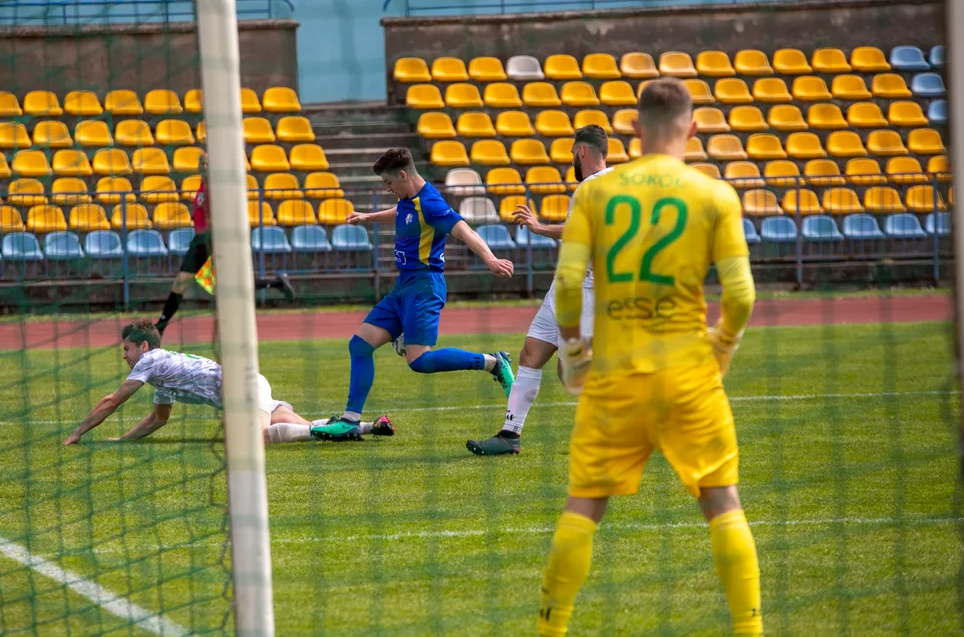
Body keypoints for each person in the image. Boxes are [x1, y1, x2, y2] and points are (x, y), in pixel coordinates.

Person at [536, 78, 761, 636]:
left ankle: (549, 629)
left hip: (614, 377)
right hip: (690, 376)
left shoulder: (595, 193)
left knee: (583, 506)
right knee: (723, 502)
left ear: (635, 130)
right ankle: (750, 630)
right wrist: (723, 349)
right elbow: (741, 296)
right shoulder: (713, 195)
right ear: (693, 126)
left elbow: (567, 288)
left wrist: (575, 354)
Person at [310, 148, 517, 442]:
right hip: (403, 287)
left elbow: (464, 231)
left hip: (424, 287)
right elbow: (402, 214)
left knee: (419, 361)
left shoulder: (432, 203)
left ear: (403, 175)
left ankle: (494, 363)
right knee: (359, 345)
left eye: (388, 182)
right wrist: (368, 217)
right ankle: (350, 421)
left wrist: (491, 260)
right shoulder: (408, 200)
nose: (387, 188)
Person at [466, 125, 610, 456]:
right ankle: (509, 435)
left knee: (569, 372)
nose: (572, 160)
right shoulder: (610, 184)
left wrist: (538, 227)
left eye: (573, 153)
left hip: (588, 290)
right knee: (531, 353)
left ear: (582, 151)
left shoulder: (594, 188)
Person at [62, 318, 394, 445]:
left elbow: (112, 400)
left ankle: (335, 429)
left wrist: (78, 432)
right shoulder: (161, 370)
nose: (124, 356)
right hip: (248, 384)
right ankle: (368, 427)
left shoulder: (149, 362)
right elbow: (158, 420)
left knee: (258, 439)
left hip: (242, 388)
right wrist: (123, 439)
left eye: (126, 349)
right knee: (307, 428)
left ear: (143, 347)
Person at [155, 173, 293, 335]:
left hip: (214, 241)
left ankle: (276, 282)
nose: (204, 166)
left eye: (208, 163)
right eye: (204, 163)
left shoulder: (218, 189)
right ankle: (161, 325)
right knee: (182, 283)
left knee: (230, 285)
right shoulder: (203, 185)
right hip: (200, 241)